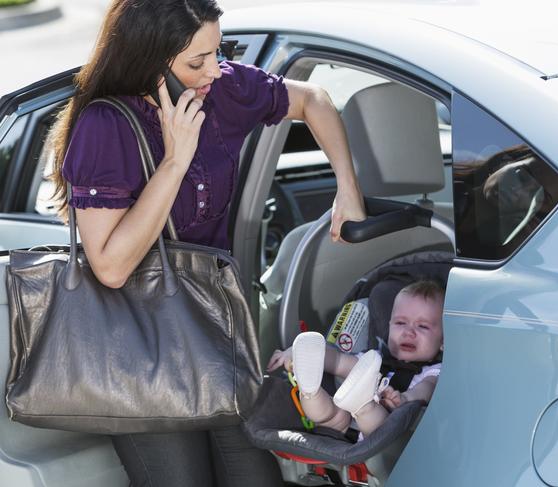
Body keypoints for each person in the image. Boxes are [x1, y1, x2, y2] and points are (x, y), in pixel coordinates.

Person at [48, 0, 366, 485]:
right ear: (150, 60)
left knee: (256, 477)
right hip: (137, 348)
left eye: (218, 52)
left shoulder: (223, 89)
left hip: (217, 329)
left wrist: (347, 187)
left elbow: (314, 99)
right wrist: (175, 162)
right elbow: (111, 267)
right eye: (197, 61)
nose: (214, 70)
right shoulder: (104, 126)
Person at [267, 280, 444, 438]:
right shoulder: (375, 359)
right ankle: (310, 391)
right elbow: (338, 361)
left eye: (422, 326)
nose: (408, 332)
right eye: (400, 323)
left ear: (444, 340)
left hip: (387, 440)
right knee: (329, 413)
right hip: (343, 426)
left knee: (378, 420)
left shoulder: (435, 371)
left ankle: (362, 405)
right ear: (389, 326)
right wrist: (301, 354)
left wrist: (404, 399)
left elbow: (425, 390)